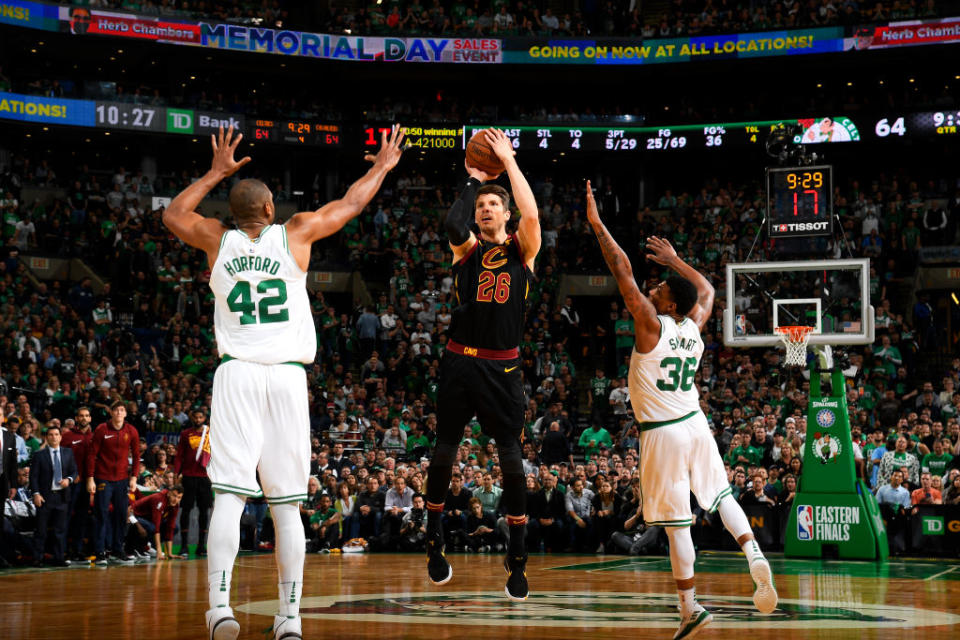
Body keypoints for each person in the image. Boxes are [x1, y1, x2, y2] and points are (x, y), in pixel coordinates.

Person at [161, 123, 405, 640]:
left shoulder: (215, 239)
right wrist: (381, 165)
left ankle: (220, 610)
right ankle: (289, 618)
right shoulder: (295, 233)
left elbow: (172, 215)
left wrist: (215, 171)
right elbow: (350, 204)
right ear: (270, 211)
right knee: (286, 505)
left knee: (228, 497)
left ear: (234, 212)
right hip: (288, 379)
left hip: (237, 375)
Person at [586, 183, 777, 639]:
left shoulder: (651, 327)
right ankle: (753, 553)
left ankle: (690, 608)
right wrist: (674, 262)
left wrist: (597, 225)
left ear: (668, 302)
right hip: (696, 424)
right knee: (722, 495)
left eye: (659, 288)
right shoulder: (693, 327)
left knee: (676, 527)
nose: (650, 290)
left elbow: (623, 272)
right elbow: (707, 290)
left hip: (662, 433)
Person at [424, 128, 541, 601]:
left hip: (502, 368)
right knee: (443, 451)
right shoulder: (466, 249)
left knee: (511, 461)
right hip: (458, 362)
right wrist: (473, 180)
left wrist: (508, 163)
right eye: (481, 207)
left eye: (494, 205)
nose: (485, 210)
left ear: (506, 214)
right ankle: (433, 541)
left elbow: (531, 213)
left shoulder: (522, 250)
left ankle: (517, 556)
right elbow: (454, 224)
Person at [86, 401, 140, 565]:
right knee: (101, 514)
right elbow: (91, 455)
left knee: (120, 515)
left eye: (122, 410)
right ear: (111, 412)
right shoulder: (102, 429)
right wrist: (90, 478)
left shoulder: (131, 430)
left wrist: (134, 477)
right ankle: (100, 551)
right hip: (103, 477)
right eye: (116, 410)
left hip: (122, 479)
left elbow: (136, 455)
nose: (119, 413)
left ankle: (118, 549)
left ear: (125, 413)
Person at [30, 424, 79, 566]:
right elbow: (33, 477)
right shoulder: (39, 454)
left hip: (62, 497)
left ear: (61, 437)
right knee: (41, 530)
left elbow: (74, 471)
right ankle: (37, 558)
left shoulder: (68, 453)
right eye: (50, 435)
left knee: (60, 530)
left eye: (56, 434)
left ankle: (59, 558)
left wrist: (68, 480)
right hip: (45, 497)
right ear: (46, 437)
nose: (54, 437)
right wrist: (36, 494)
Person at [174, 408, 213, 558]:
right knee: (186, 510)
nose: (197, 419)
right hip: (189, 477)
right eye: (195, 417)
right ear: (192, 418)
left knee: (204, 512)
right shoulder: (185, 434)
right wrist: (177, 473)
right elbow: (179, 456)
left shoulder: (211, 434)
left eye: (200, 417)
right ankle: (184, 546)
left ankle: (201, 546)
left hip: (205, 477)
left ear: (204, 418)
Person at [128, 485, 183, 560]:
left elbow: (170, 527)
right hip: (133, 516)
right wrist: (159, 552)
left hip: (147, 520)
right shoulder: (159, 499)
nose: (176, 499)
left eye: (179, 497)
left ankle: (149, 546)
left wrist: (170, 553)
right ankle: (139, 547)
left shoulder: (175, 505)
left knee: (175, 528)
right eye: (174, 496)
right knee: (153, 527)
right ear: (169, 493)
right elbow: (156, 526)